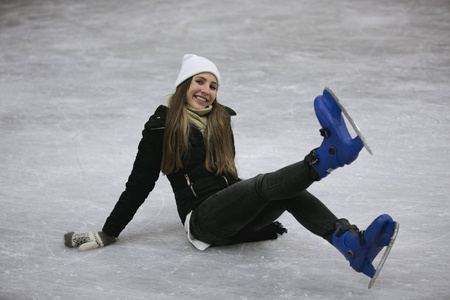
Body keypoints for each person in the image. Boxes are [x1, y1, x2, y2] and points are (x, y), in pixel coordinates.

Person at [65, 54, 397, 281]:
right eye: (200, 82)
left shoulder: (221, 120)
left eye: (213, 86)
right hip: (203, 222)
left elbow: (230, 179)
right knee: (262, 183)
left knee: (282, 189)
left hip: (235, 216)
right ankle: (326, 157)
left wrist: (252, 204)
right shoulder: (161, 128)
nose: (206, 91)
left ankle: (349, 242)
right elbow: (138, 185)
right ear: (184, 85)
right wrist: (108, 232)